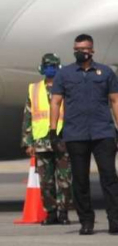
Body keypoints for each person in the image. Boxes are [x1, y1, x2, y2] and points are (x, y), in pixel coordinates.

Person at [49, 34, 118, 235]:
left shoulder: (105, 72)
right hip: (75, 133)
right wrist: (53, 131)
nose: (80, 52)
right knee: (79, 179)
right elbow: (55, 102)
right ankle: (86, 221)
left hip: (102, 132)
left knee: (109, 177)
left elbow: (115, 101)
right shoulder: (65, 74)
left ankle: (114, 220)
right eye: (76, 49)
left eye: (83, 48)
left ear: (92, 50)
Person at [20, 53, 72, 225]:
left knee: (65, 180)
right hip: (42, 141)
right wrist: (28, 142)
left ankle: (63, 212)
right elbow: (28, 116)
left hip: (63, 140)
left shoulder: (67, 88)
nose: (50, 69)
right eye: (47, 65)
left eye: (53, 66)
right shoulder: (34, 89)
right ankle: (51, 213)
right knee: (46, 182)